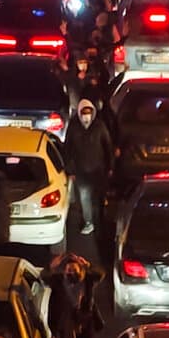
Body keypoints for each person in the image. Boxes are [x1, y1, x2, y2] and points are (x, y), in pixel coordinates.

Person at [42, 251, 103, 338]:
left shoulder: (87, 280)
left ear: (80, 270)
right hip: (66, 323)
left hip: (84, 321)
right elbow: (44, 277)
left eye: (74, 270)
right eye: (68, 270)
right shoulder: (58, 281)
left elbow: (100, 274)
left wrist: (87, 265)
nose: (71, 273)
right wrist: (51, 266)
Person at [65, 99, 114, 239]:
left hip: (98, 170)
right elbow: (68, 149)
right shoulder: (74, 127)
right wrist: (70, 170)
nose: (86, 116)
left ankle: (102, 223)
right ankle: (88, 222)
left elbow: (108, 147)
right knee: (85, 198)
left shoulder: (99, 126)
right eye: (83, 113)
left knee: (99, 198)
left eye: (89, 112)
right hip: (81, 172)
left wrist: (110, 166)